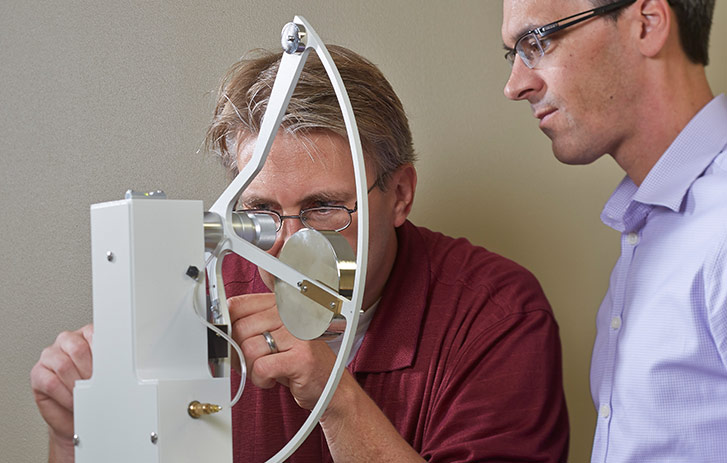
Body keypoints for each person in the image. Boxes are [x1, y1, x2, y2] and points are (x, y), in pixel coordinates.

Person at [31, 45, 569, 462]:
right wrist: (74, 432)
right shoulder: (205, 286)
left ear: (400, 194)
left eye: (324, 208)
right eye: (259, 212)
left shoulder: (497, 314)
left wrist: (333, 396)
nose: (286, 247)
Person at [502, 0, 726, 461]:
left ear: (647, 24)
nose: (516, 85)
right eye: (514, 53)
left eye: (538, 41)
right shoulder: (648, 228)